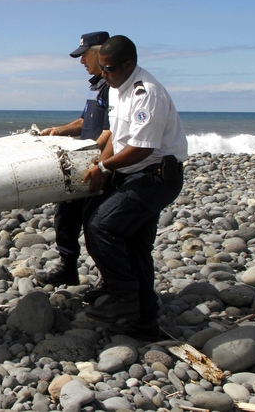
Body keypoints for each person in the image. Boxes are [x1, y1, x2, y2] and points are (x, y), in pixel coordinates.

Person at [82, 36, 187, 339]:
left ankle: (123, 297)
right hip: (133, 174)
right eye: (101, 68)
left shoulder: (147, 94)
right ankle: (144, 320)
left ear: (129, 64)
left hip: (155, 177)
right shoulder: (117, 87)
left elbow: (141, 148)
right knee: (133, 244)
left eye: (109, 69)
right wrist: (103, 166)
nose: (103, 75)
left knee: (103, 226)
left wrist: (103, 167)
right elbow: (117, 133)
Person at [36, 31, 112, 286]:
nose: (81, 62)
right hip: (84, 162)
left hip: (100, 165)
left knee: (96, 225)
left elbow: (111, 132)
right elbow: (83, 122)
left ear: (100, 53)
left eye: (84, 55)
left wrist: (97, 163)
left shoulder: (113, 87)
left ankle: (108, 279)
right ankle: (68, 266)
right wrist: (56, 131)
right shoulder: (95, 87)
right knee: (65, 216)